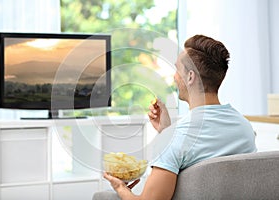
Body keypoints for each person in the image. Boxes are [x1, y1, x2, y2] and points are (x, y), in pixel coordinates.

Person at [103, 35, 257, 200]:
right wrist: (166, 131)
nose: (174, 77)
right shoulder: (245, 128)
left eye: (177, 69)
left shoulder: (175, 138)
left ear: (190, 77)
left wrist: (120, 187)